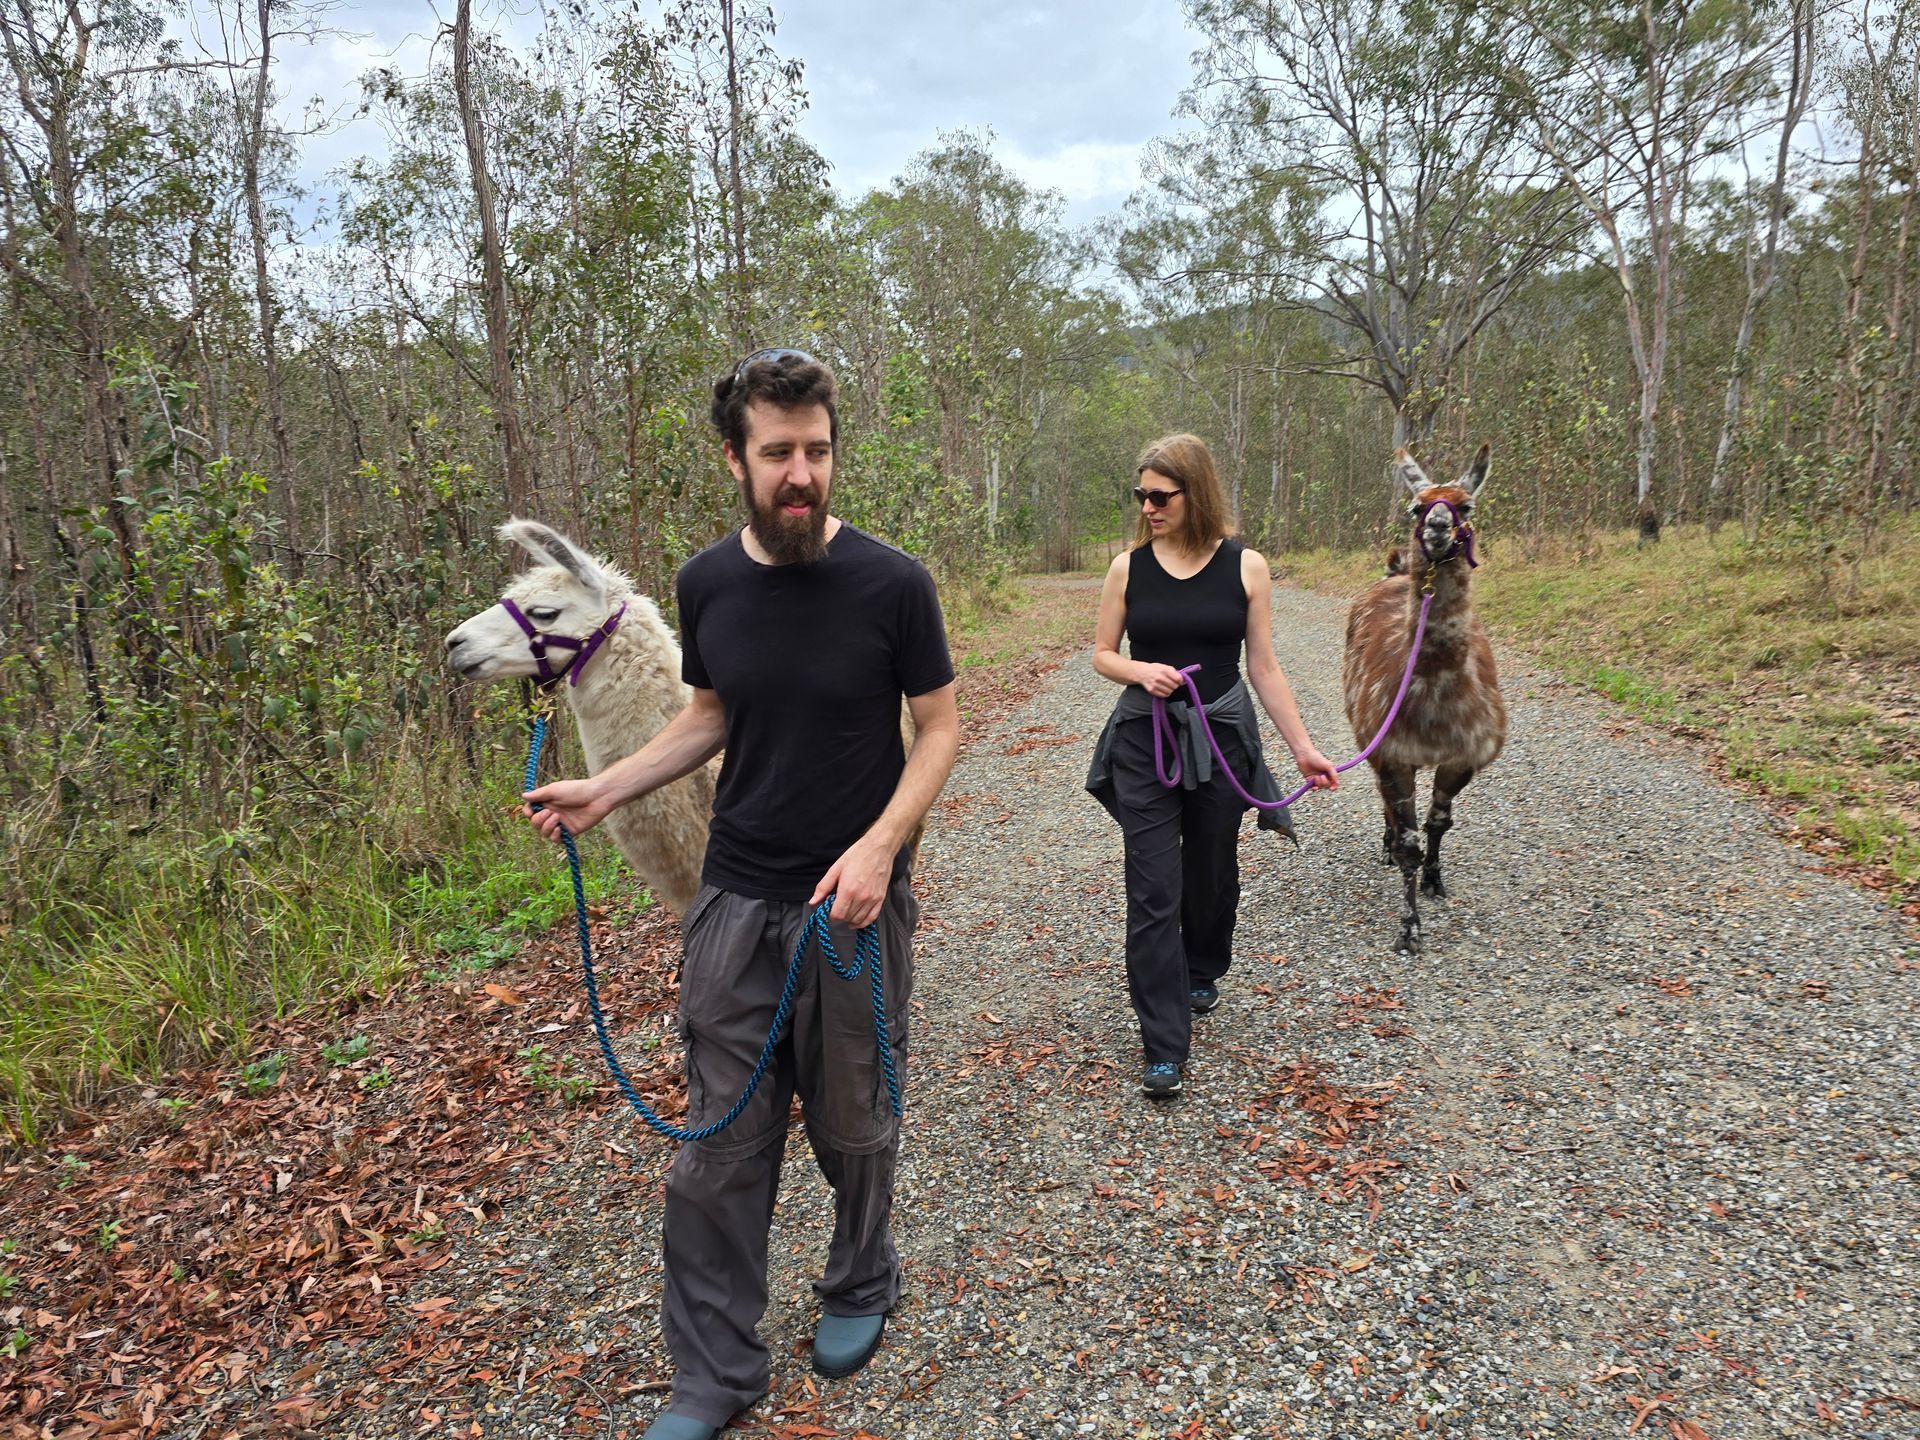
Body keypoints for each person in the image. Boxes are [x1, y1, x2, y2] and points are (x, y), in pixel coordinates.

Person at [523, 349, 960, 1439]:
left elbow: (942, 729)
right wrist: (605, 789)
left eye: (817, 450)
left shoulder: (895, 585)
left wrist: (881, 849)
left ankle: (862, 1279)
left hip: (854, 906)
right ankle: (715, 1374)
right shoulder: (707, 582)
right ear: (736, 460)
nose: (802, 472)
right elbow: (710, 713)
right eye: (778, 454)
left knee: (857, 1120)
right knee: (718, 1147)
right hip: (734, 903)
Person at [1086, 433, 1338, 1098]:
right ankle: (1164, 1044)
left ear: (1195, 492)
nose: (1147, 507)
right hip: (1146, 740)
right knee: (1151, 888)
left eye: (1159, 495)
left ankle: (1203, 966)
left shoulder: (1245, 567)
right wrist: (1142, 670)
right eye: (1140, 495)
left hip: (1222, 737)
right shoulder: (1127, 569)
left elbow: (1264, 667)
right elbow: (1102, 654)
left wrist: (1304, 747)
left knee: (1210, 869)